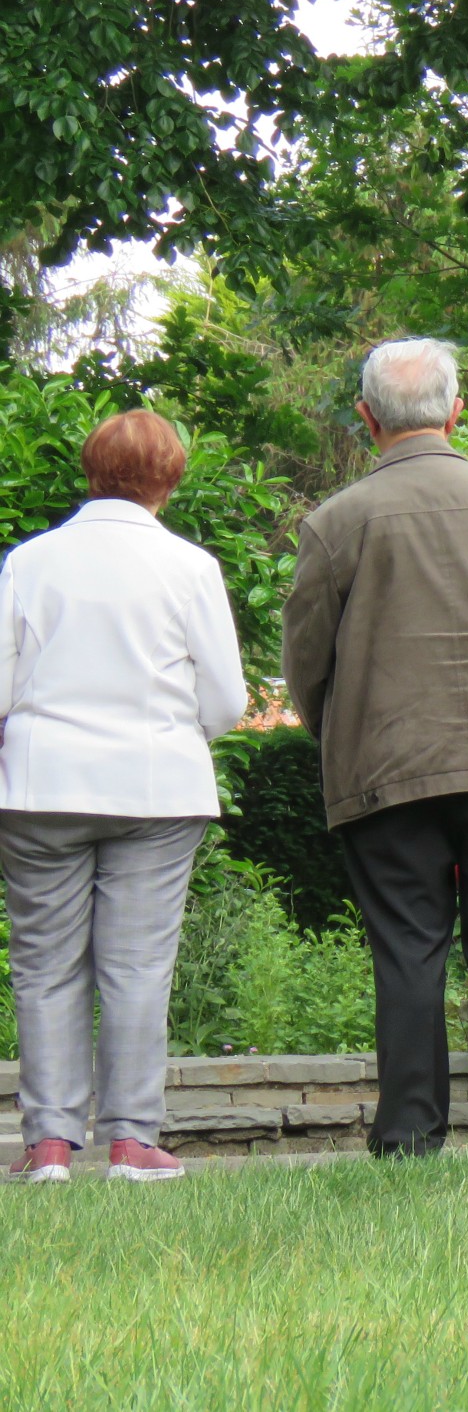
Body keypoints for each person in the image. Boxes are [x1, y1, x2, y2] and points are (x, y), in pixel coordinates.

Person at [281, 339, 468, 1155]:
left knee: (408, 949)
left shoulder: (335, 522)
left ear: (366, 418)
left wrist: (339, 728)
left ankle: (410, 1137)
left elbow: (306, 664)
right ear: (457, 412)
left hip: (388, 766)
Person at [0, 409, 248, 1184]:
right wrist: (181, 735)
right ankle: (132, 1140)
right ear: (170, 478)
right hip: (154, 783)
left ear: (90, 468)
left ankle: (47, 1145)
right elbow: (229, 699)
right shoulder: (189, 567)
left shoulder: (30, 562)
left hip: (43, 785)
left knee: (44, 966)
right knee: (138, 965)